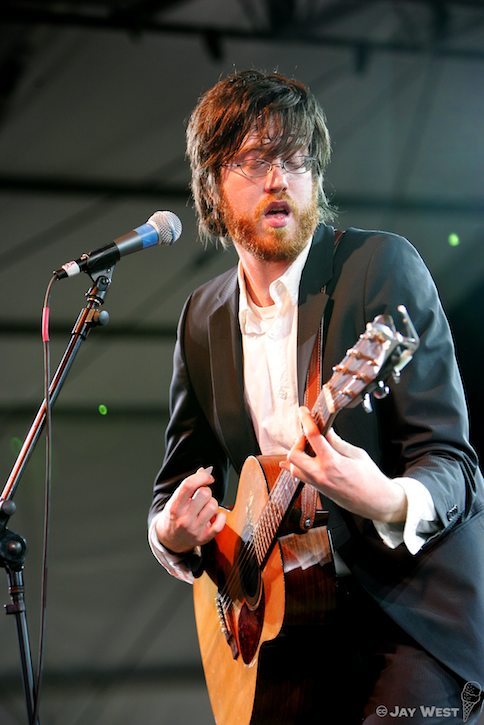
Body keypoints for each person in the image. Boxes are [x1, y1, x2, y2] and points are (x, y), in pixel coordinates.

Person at [148, 69, 484, 723]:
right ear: (212, 187)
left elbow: (455, 464)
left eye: (296, 158)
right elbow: (174, 490)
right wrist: (172, 532)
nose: (279, 178)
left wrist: (387, 499)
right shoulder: (202, 317)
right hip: (288, 635)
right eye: (255, 160)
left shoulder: (379, 267)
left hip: (411, 620)